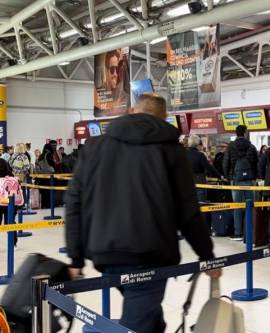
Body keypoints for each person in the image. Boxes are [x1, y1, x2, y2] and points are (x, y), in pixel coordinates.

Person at [65, 94, 220, 333]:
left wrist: (75, 257)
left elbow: (74, 202)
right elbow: (188, 210)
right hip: (151, 254)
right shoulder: (171, 150)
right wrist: (207, 255)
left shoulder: (95, 146)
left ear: (131, 110)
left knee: (148, 316)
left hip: (105, 253)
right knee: (140, 320)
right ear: (164, 118)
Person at [223, 125, 258, 241]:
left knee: (237, 206)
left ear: (236, 133)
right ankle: (249, 232)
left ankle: (238, 233)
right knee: (249, 206)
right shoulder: (251, 146)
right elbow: (257, 163)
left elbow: (225, 163)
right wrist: (255, 177)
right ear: (245, 132)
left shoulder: (231, 146)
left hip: (236, 179)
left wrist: (228, 177)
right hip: (249, 180)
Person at [186, 135, 221, 203]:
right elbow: (209, 168)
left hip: (187, 183)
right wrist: (219, 176)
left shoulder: (183, 154)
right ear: (197, 144)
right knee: (202, 205)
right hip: (200, 182)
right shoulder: (200, 155)